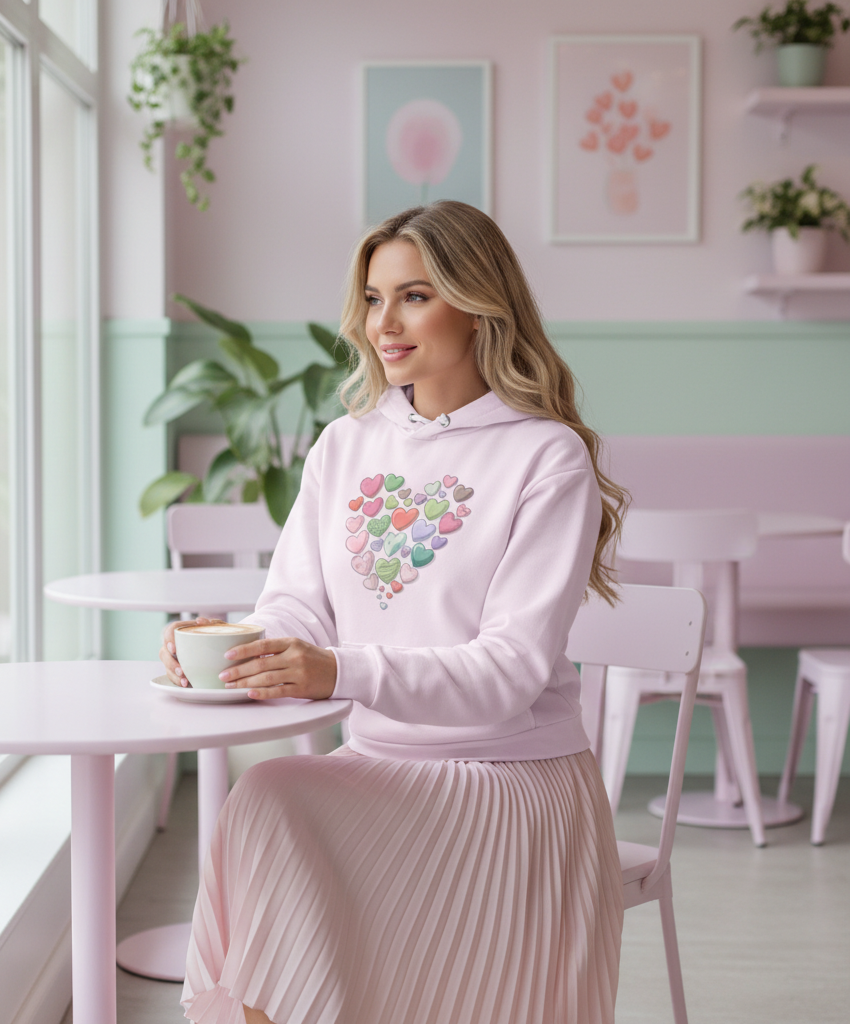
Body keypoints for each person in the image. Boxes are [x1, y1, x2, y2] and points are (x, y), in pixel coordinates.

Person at [160, 201, 629, 1024]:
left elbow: (510, 673)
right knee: (264, 802)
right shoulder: (344, 444)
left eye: (415, 295)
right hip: (374, 769)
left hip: (506, 784)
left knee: (271, 802)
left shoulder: (544, 456)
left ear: (480, 302)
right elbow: (296, 608)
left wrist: (340, 669)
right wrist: (231, 650)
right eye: (374, 299)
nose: (386, 323)